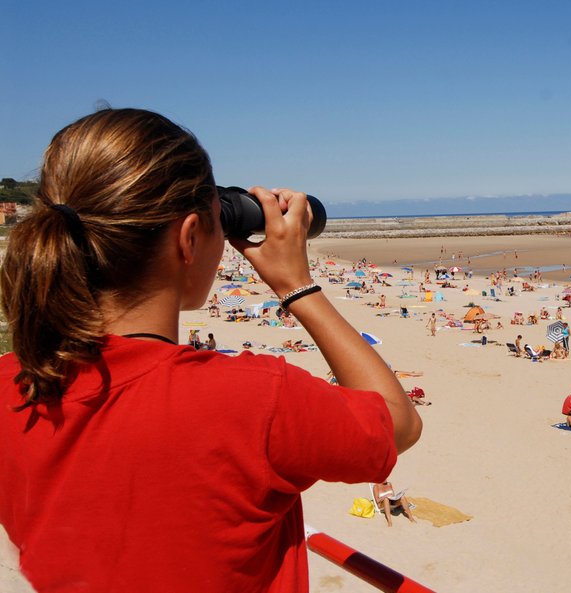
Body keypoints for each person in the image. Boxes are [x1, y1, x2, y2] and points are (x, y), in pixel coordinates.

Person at [0, 108, 423, 593]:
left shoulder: (11, 384)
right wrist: (297, 286)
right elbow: (400, 424)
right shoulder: (255, 399)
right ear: (189, 238)